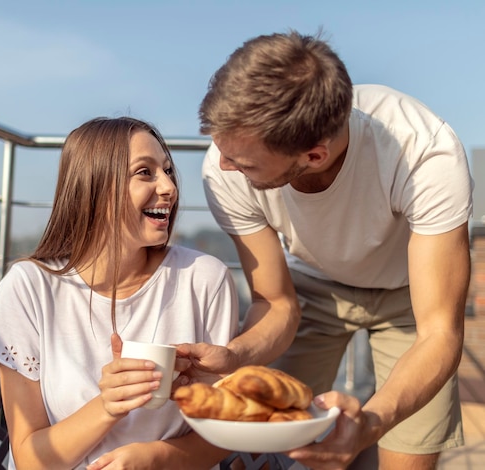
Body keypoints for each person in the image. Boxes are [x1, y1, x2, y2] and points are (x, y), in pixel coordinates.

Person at [176, 31, 473, 469]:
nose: (224, 166)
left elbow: (439, 332)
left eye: (244, 162)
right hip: (311, 287)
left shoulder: (426, 153)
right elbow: (274, 301)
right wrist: (235, 355)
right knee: (264, 449)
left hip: (411, 297)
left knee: (404, 456)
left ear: (314, 156)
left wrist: (372, 422)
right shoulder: (224, 169)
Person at [0, 116, 239, 469]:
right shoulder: (28, 288)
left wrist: (158, 459)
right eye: (145, 172)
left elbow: (224, 427)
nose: (169, 187)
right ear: (94, 187)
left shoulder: (204, 279)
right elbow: (31, 459)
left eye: (169, 171)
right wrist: (108, 405)